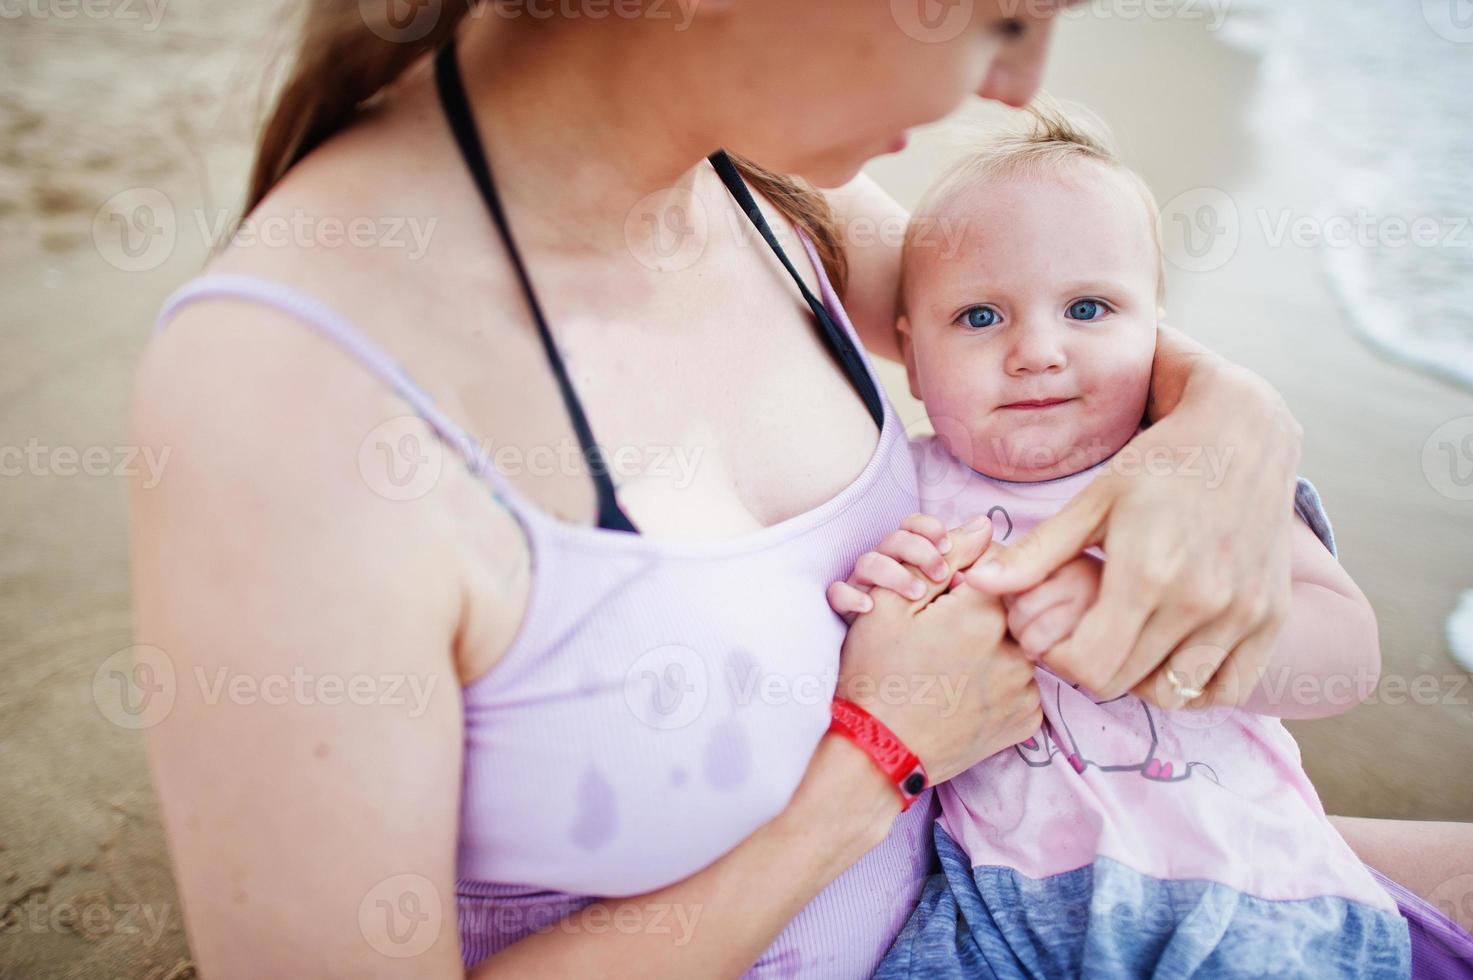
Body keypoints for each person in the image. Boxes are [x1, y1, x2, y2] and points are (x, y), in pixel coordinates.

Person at [129, 2, 1471, 976]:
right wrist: (878, 764)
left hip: (1028, 874)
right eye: (998, 12)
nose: (1015, 81)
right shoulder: (297, 394)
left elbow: (1047, 329)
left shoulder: (768, 204)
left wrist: (1236, 420)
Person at [828, 105, 1419, 977]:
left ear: (1157, 331)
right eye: (980, 318)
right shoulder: (901, 485)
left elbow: (1347, 661)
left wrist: (1139, 624)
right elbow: (862, 623)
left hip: (1249, 893)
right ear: (910, 359)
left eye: (1087, 307)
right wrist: (883, 588)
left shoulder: (1192, 475)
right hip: (987, 912)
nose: (1036, 350)